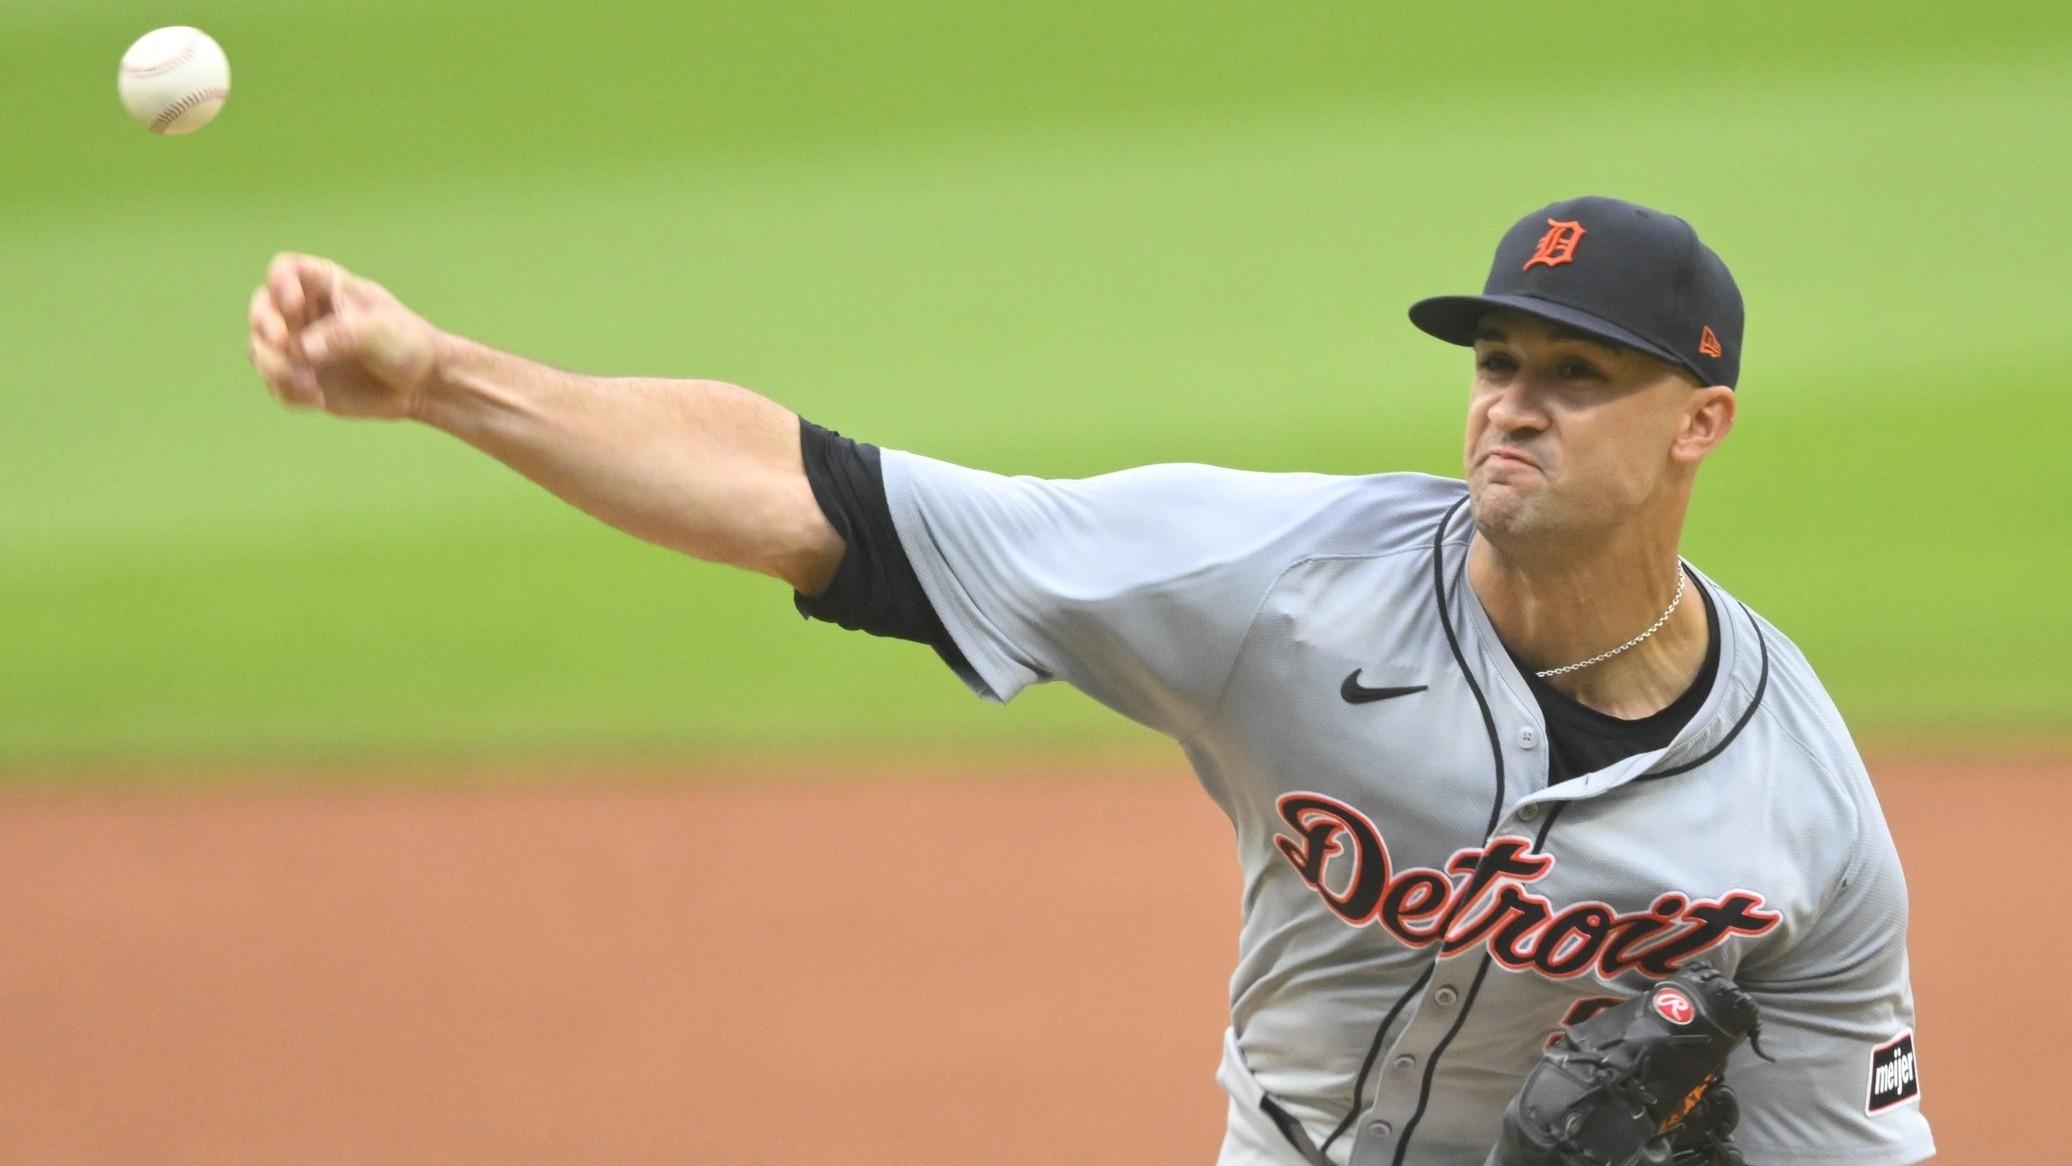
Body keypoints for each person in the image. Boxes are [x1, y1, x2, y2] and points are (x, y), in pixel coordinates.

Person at [245, 196, 1934, 1165]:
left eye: (1579, 375)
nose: (1513, 402)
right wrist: (444, 379)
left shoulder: (1802, 808)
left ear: (1699, 424)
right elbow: (815, 496)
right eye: (1499, 362)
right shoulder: (1280, 583)